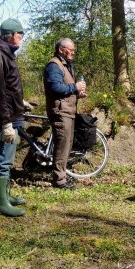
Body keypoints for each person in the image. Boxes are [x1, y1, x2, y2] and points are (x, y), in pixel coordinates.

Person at [0, 18, 27, 217]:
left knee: (7, 157)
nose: (22, 38)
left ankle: (5, 195)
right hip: (5, 118)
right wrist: (6, 123)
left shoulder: (6, 54)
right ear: (10, 36)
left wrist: (21, 102)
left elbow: (9, 88)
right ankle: (0, 202)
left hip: (12, 114)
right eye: (20, 35)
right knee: (2, 157)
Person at [44, 38, 87, 189]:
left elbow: (65, 89)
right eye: (71, 49)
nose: (73, 52)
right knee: (62, 146)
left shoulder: (65, 65)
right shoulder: (54, 66)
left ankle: (62, 176)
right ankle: (59, 180)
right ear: (62, 49)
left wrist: (76, 93)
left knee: (67, 145)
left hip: (67, 111)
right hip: (60, 112)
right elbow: (55, 88)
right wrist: (74, 87)